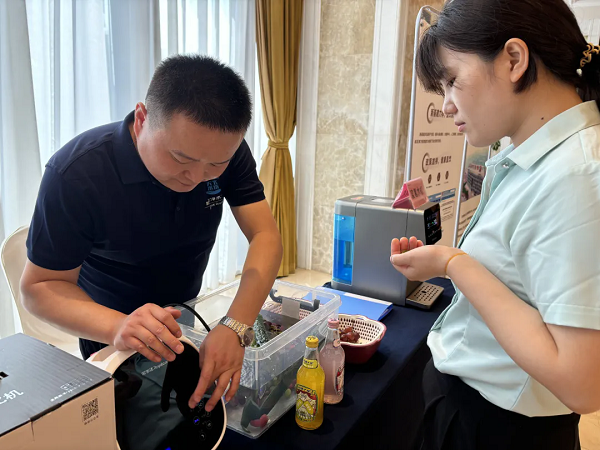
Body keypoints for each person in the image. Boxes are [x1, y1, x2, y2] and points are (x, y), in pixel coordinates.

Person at [20, 55, 283, 414]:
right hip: (110, 331)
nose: (196, 177)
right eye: (181, 158)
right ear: (142, 118)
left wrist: (236, 325)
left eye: (215, 165)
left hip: (184, 316)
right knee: (133, 421)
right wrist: (118, 326)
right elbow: (38, 287)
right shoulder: (78, 174)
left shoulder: (222, 149)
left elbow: (265, 235)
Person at [390, 1, 600, 448]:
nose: (446, 104)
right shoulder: (528, 154)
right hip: (468, 404)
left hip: (500, 428)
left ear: (514, 60)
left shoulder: (577, 175)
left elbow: (582, 382)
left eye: (451, 81)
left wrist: (453, 263)